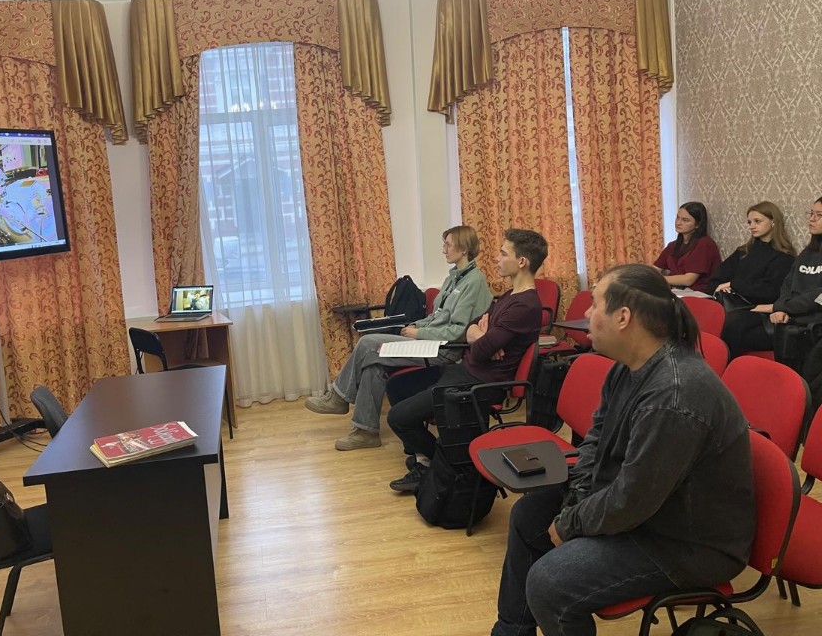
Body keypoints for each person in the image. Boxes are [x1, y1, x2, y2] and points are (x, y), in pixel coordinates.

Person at [490, 264, 754, 636]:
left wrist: (571, 522)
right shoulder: (628, 368)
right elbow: (595, 442)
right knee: (528, 515)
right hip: (649, 512)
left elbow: (633, 499)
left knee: (550, 583)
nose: (586, 313)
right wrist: (577, 500)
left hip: (689, 543)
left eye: (595, 304)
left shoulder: (674, 395)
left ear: (623, 317)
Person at [304, 226, 493, 451]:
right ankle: (366, 432)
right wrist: (417, 325)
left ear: (463, 249)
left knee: (367, 343)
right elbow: (437, 316)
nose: (443, 250)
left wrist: (419, 333)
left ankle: (338, 397)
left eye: (448, 245)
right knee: (373, 366)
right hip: (429, 342)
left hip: (442, 350)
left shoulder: (473, 282)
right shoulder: (453, 278)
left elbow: (456, 331)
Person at [386, 229, 546, 491]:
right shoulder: (510, 296)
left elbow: (481, 351)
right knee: (396, 386)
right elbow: (473, 325)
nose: (496, 258)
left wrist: (482, 339)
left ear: (522, 262)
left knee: (397, 418)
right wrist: (481, 335)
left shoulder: (525, 305)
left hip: (480, 382)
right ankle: (428, 461)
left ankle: (439, 466)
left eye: (503, 253)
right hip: (464, 371)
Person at [721, 197, 822, 358]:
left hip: (811, 323)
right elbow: (788, 285)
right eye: (811, 213)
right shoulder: (808, 253)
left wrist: (779, 308)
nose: (812, 219)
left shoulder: (783, 257)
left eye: (819, 215)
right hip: (787, 316)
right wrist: (781, 308)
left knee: (736, 328)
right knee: (734, 322)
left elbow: (818, 298)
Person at [652, 201, 721, 292]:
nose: (678, 223)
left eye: (685, 220)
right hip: (675, 290)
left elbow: (688, 280)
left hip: (697, 293)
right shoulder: (673, 245)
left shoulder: (705, 244)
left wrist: (656, 279)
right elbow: (655, 269)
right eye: (678, 218)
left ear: (698, 224)